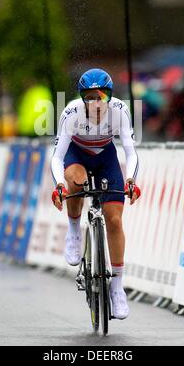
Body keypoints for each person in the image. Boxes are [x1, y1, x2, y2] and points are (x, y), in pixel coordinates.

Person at [51, 68, 141, 320]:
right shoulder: (71, 113)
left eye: (101, 96)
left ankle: (117, 287)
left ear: (109, 97)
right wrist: (59, 184)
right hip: (77, 156)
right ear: (82, 98)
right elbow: (57, 157)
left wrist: (132, 179)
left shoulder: (120, 111)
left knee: (114, 219)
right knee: (77, 182)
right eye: (89, 97)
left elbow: (131, 152)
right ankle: (73, 231)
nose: (95, 102)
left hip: (105, 158)